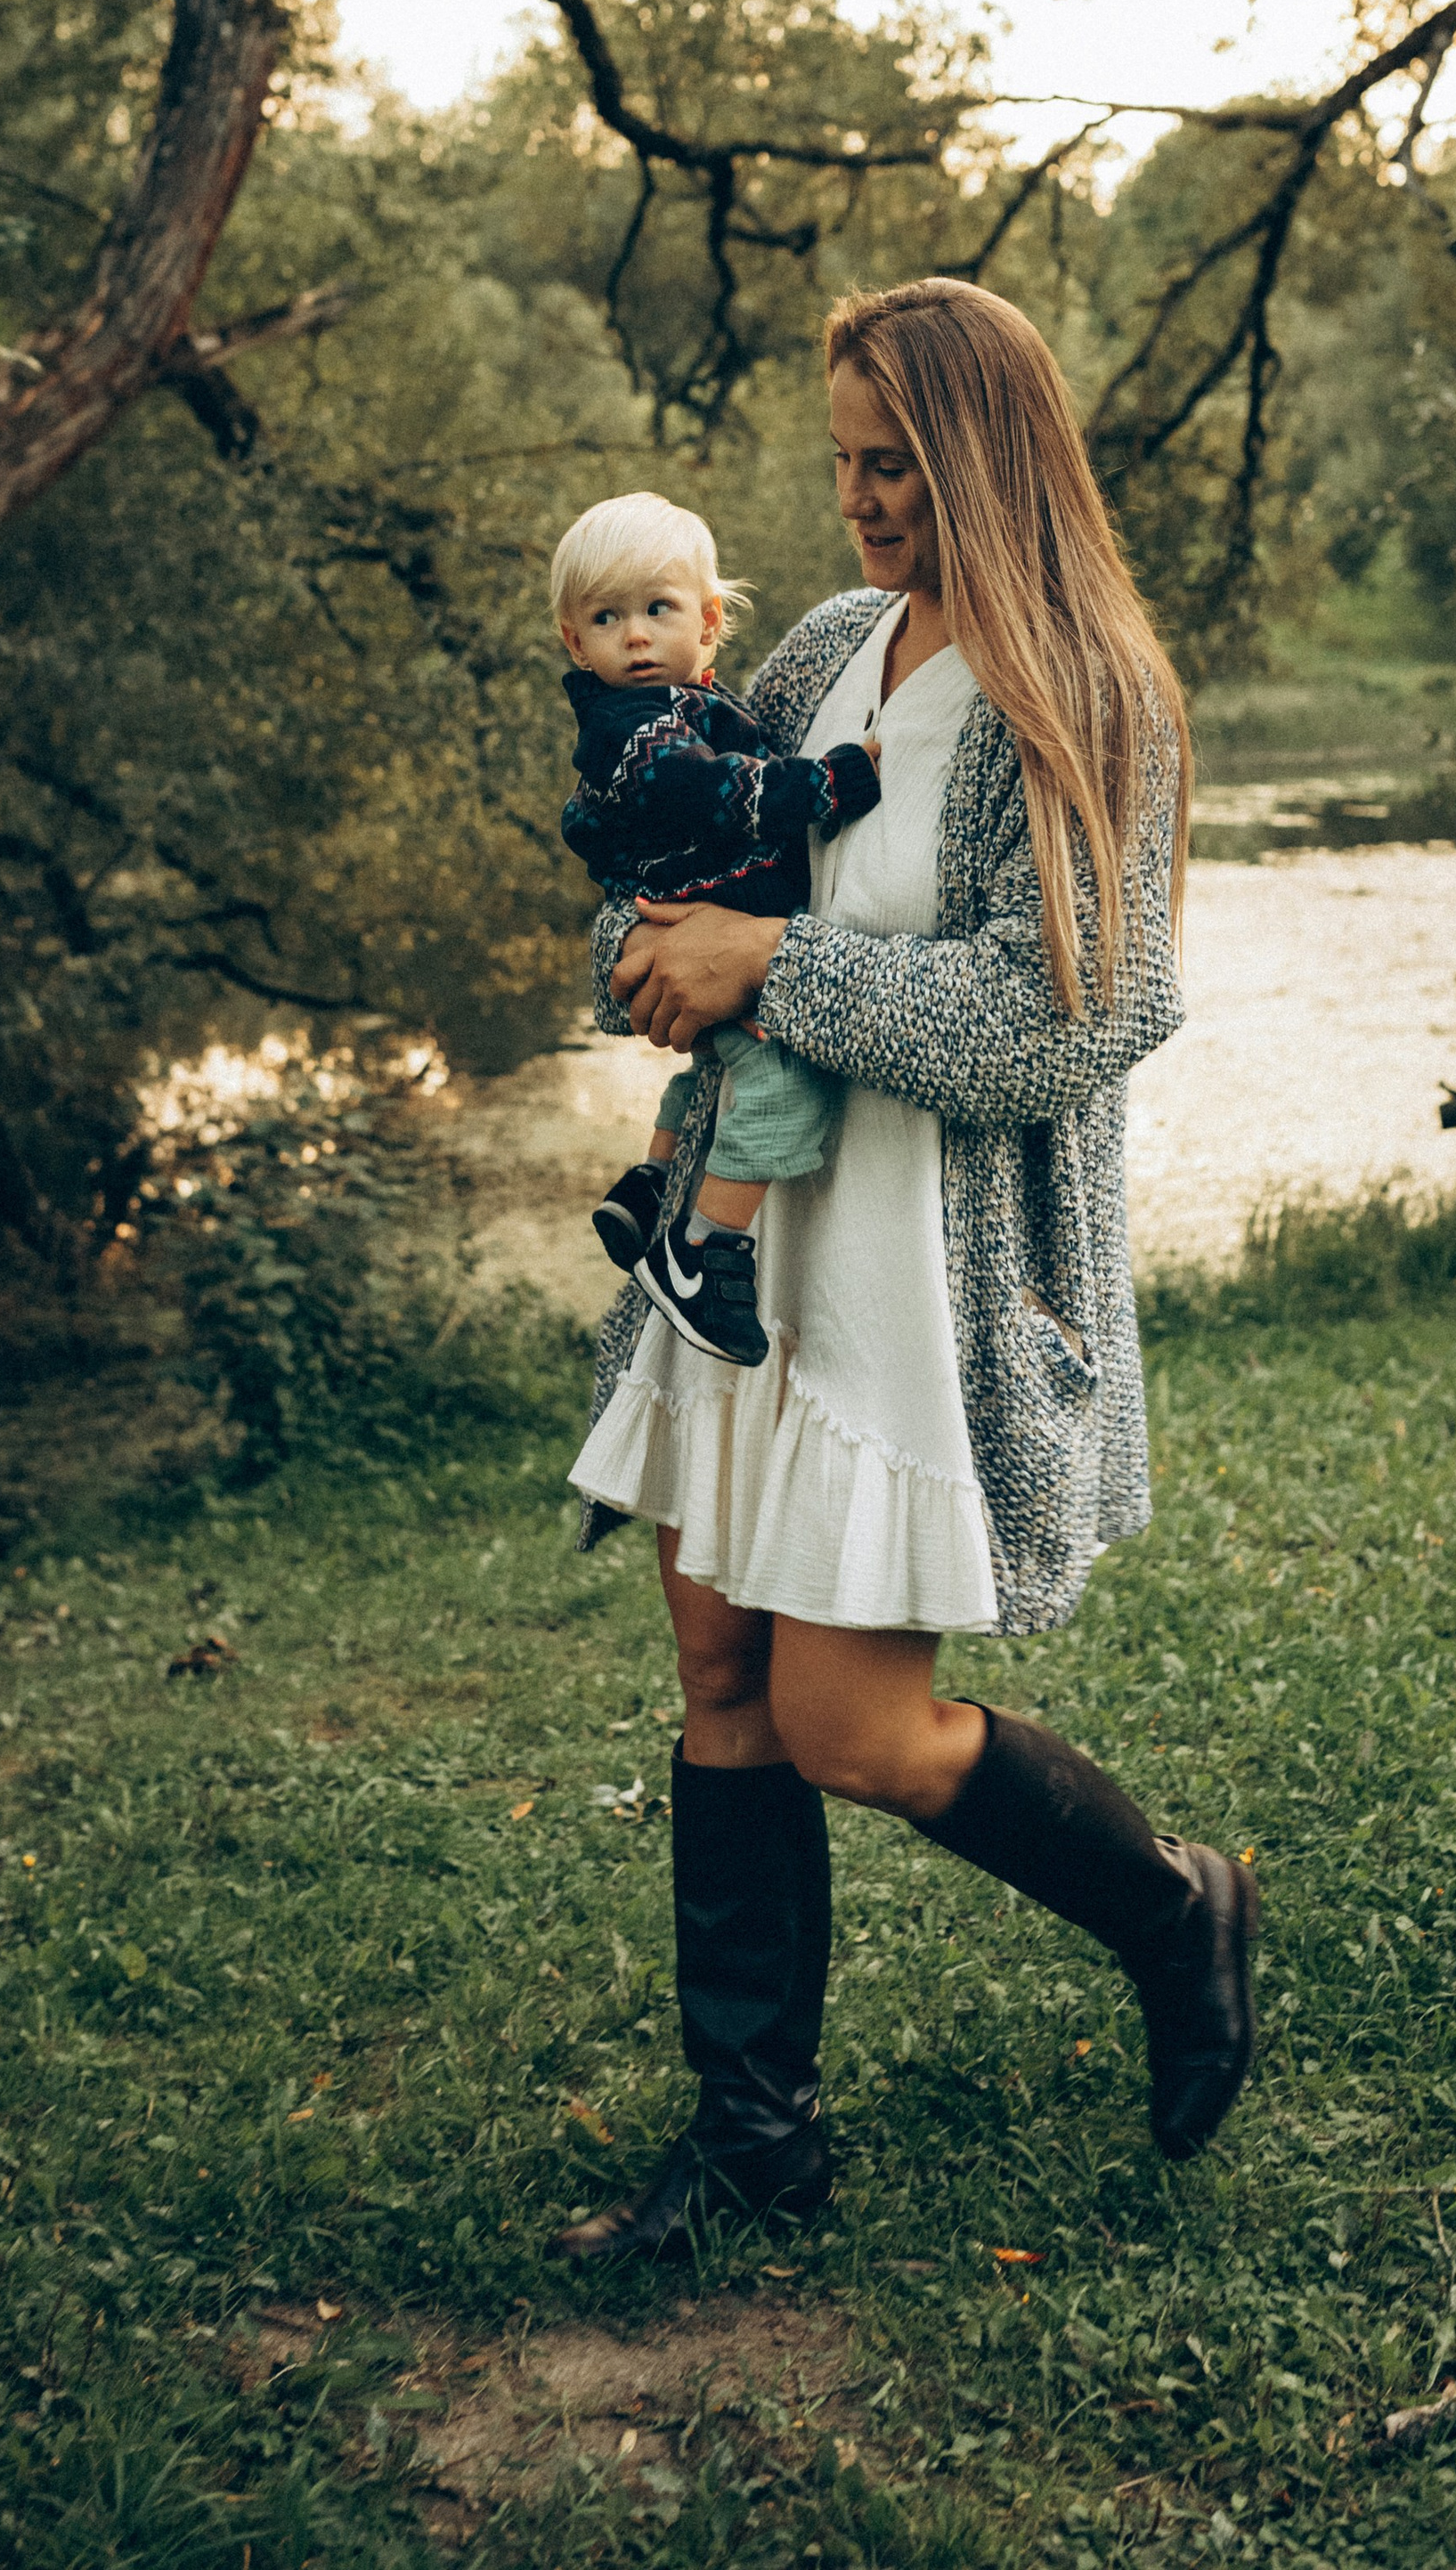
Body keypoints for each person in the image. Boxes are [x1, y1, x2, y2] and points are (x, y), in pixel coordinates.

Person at [551, 278, 1260, 2265]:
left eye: (896, 465)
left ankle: (1174, 1904)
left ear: (988, 458)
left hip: (917, 1280)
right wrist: (645, 936)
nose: (859, 503)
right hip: (744, 1238)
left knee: (858, 1728)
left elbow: (1076, 1017)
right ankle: (755, 2137)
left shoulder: (1087, 694)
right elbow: (682, 843)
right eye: (843, 461)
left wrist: (774, 967)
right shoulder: (825, 646)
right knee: (718, 1679)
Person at [551, 491, 883, 1366]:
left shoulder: (681, 707)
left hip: (722, 927)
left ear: (706, 622)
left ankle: (652, 1185)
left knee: (709, 1078)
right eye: (605, 617)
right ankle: (701, 1252)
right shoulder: (640, 733)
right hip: (717, 923)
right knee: (781, 1088)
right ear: (571, 641)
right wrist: (824, 788)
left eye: (655, 611)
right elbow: (717, 792)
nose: (632, 636)